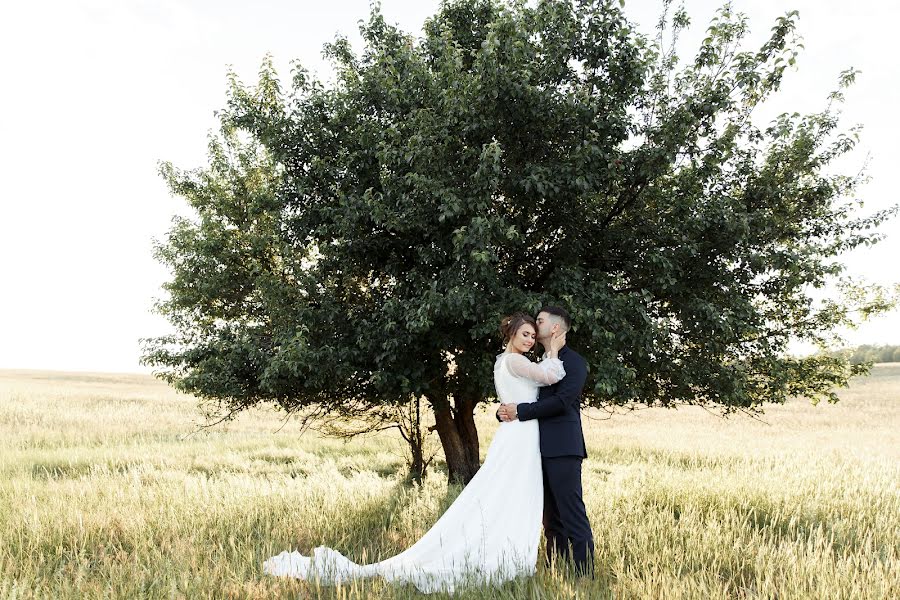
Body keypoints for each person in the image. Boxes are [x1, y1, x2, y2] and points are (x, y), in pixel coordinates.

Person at [263, 313, 567, 593]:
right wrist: (553, 349)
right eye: (525, 334)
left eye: (532, 335)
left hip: (520, 434)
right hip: (519, 438)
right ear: (511, 334)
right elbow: (550, 377)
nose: (529, 340)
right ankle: (502, 555)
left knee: (511, 495)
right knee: (508, 495)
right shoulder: (514, 361)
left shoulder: (509, 362)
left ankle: (508, 551)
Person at [497, 306, 595, 576]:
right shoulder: (542, 361)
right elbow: (526, 395)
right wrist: (504, 410)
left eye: (538, 321)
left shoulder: (574, 362)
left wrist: (522, 411)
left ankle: (584, 574)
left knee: (571, 512)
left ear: (554, 328)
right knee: (550, 518)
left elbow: (562, 402)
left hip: (563, 447)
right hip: (535, 448)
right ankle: (555, 568)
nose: (534, 326)